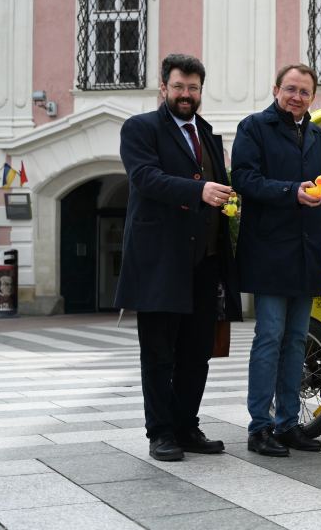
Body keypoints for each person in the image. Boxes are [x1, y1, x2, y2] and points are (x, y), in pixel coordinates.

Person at [115, 54, 242, 462]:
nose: (186, 94)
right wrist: (200, 190)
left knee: (196, 353)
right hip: (159, 263)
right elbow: (145, 178)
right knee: (158, 354)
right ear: (163, 88)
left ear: (201, 91)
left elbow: (213, 188)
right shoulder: (140, 128)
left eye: (193, 88)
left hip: (204, 262)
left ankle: (187, 425)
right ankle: (161, 433)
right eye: (179, 86)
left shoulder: (206, 133)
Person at [231, 63, 321, 457]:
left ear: (313, 97)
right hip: (269, 251)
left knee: (297, 340)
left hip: (308, 252)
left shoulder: (318, 137)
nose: (297, 96)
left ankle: (289, 424)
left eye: (305, 91)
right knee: (269, 337)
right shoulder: (254, 128)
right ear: (276, 88)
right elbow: (243, 179)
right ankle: (260, 426)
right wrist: (291, 192)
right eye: (291, 89)